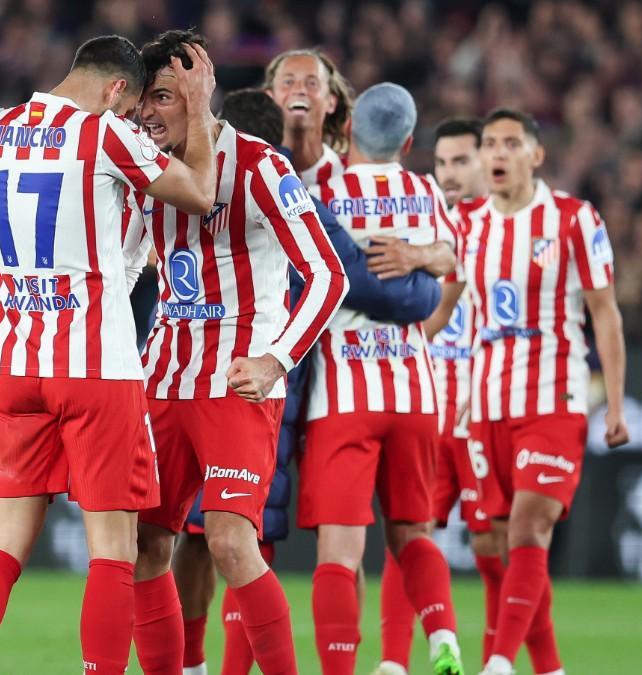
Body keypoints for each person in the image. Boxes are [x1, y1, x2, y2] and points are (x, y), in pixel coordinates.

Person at [0, 35, 220, 675]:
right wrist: (200, 108)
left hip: (15, 362)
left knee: (3, 547)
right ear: (116, 90)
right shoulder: (104, 135)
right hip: (97, 367)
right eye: (127, 108)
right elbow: (200, 192)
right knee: (114, 552)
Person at [171, 88, 443, 675]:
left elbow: (350, 278)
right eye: (288, 83)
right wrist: (432, 274)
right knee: (196, 537)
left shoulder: (300, 188)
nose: (300, 94)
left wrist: (427, 270)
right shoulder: (179, 182)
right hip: (217, 378)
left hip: (280, 383)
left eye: (312, 84)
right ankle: (194, 665)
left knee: (236, 535)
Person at [127, 31, 347, 675]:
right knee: (146, 544)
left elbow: (329, 275)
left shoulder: (259, 166)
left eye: (164, 97)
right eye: (144, 100)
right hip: (163, 378)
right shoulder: (144, 168)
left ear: (200, 90)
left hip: (238, 382)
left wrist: (276, 358)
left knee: (227, 539)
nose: (148, 113)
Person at [454, 109, 628, 675]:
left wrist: (617, 404)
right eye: (490, 144)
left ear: (536, 155)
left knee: (532, 526)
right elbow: (448, 307)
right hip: (486, 404)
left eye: (511, 143)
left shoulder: (574, 219)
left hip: (553, 398)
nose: (498, 153)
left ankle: (500, 663)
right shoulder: (468, 222)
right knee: (504, 550)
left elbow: (605, 314)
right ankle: (549, 669)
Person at [303, 83, 465, 675]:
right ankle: (443, 636)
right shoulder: (424, 190)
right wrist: (417, 256)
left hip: (345, 391)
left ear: (347, 135)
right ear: (409, 140)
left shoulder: (325, 190)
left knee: (340, 554)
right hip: (416, 390)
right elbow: (451, 259)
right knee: (412, 534)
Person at [373, 117, 495, 675]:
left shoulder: (505, 229)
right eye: (441, 163)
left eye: (461, 161)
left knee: (496, 545)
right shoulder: (422, 219)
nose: (449, 174)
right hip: (426, 403)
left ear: (487, 160)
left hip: (481, 411)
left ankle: (504, 659)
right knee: (408, 535)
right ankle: (395, 662)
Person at [265, 48, 354, 189]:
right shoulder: (255, 172)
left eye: (312, 83)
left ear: (331, 102)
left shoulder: (350, 175)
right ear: (269, 99)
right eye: (288, 82)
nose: (300, 89)